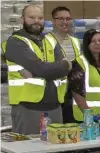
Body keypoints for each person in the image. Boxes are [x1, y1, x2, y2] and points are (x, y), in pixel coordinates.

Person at [4, 4, 71, 134]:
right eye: (32, 17)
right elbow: (41, 69)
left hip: (55, 106)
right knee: (29, 150)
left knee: (56, 150)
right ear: (22, 20)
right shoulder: (15, 42)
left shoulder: (51, 40)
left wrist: (56, 68)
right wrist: (54, 68)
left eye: (40, 18)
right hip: (28, 108)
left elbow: (66, 67)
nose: (36, 21)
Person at [68, 29, 100, 126]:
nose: (98, 43)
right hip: (88, 117)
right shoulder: (79, 62)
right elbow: (76, 93)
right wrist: (89, 115)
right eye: (93, 41)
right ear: (87, 44)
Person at [48, 6, 81, 123]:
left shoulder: (75, 41)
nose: (65, 22)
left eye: (68, 19)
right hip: (54, 93)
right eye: (61, 19)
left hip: (73, 92)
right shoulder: (46, 41)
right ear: (53, 21)